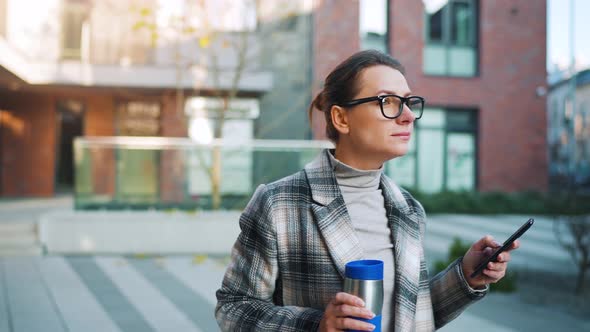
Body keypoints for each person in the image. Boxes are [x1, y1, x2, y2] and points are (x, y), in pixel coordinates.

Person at [215, 50, 519, 332]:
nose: (408, 116)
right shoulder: (278, 204)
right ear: (341, 118)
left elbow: (409, 315)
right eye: (388, 102)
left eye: (409, 102)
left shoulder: (408, 209)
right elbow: (234, 308)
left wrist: (466, 275)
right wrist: (317, 325)